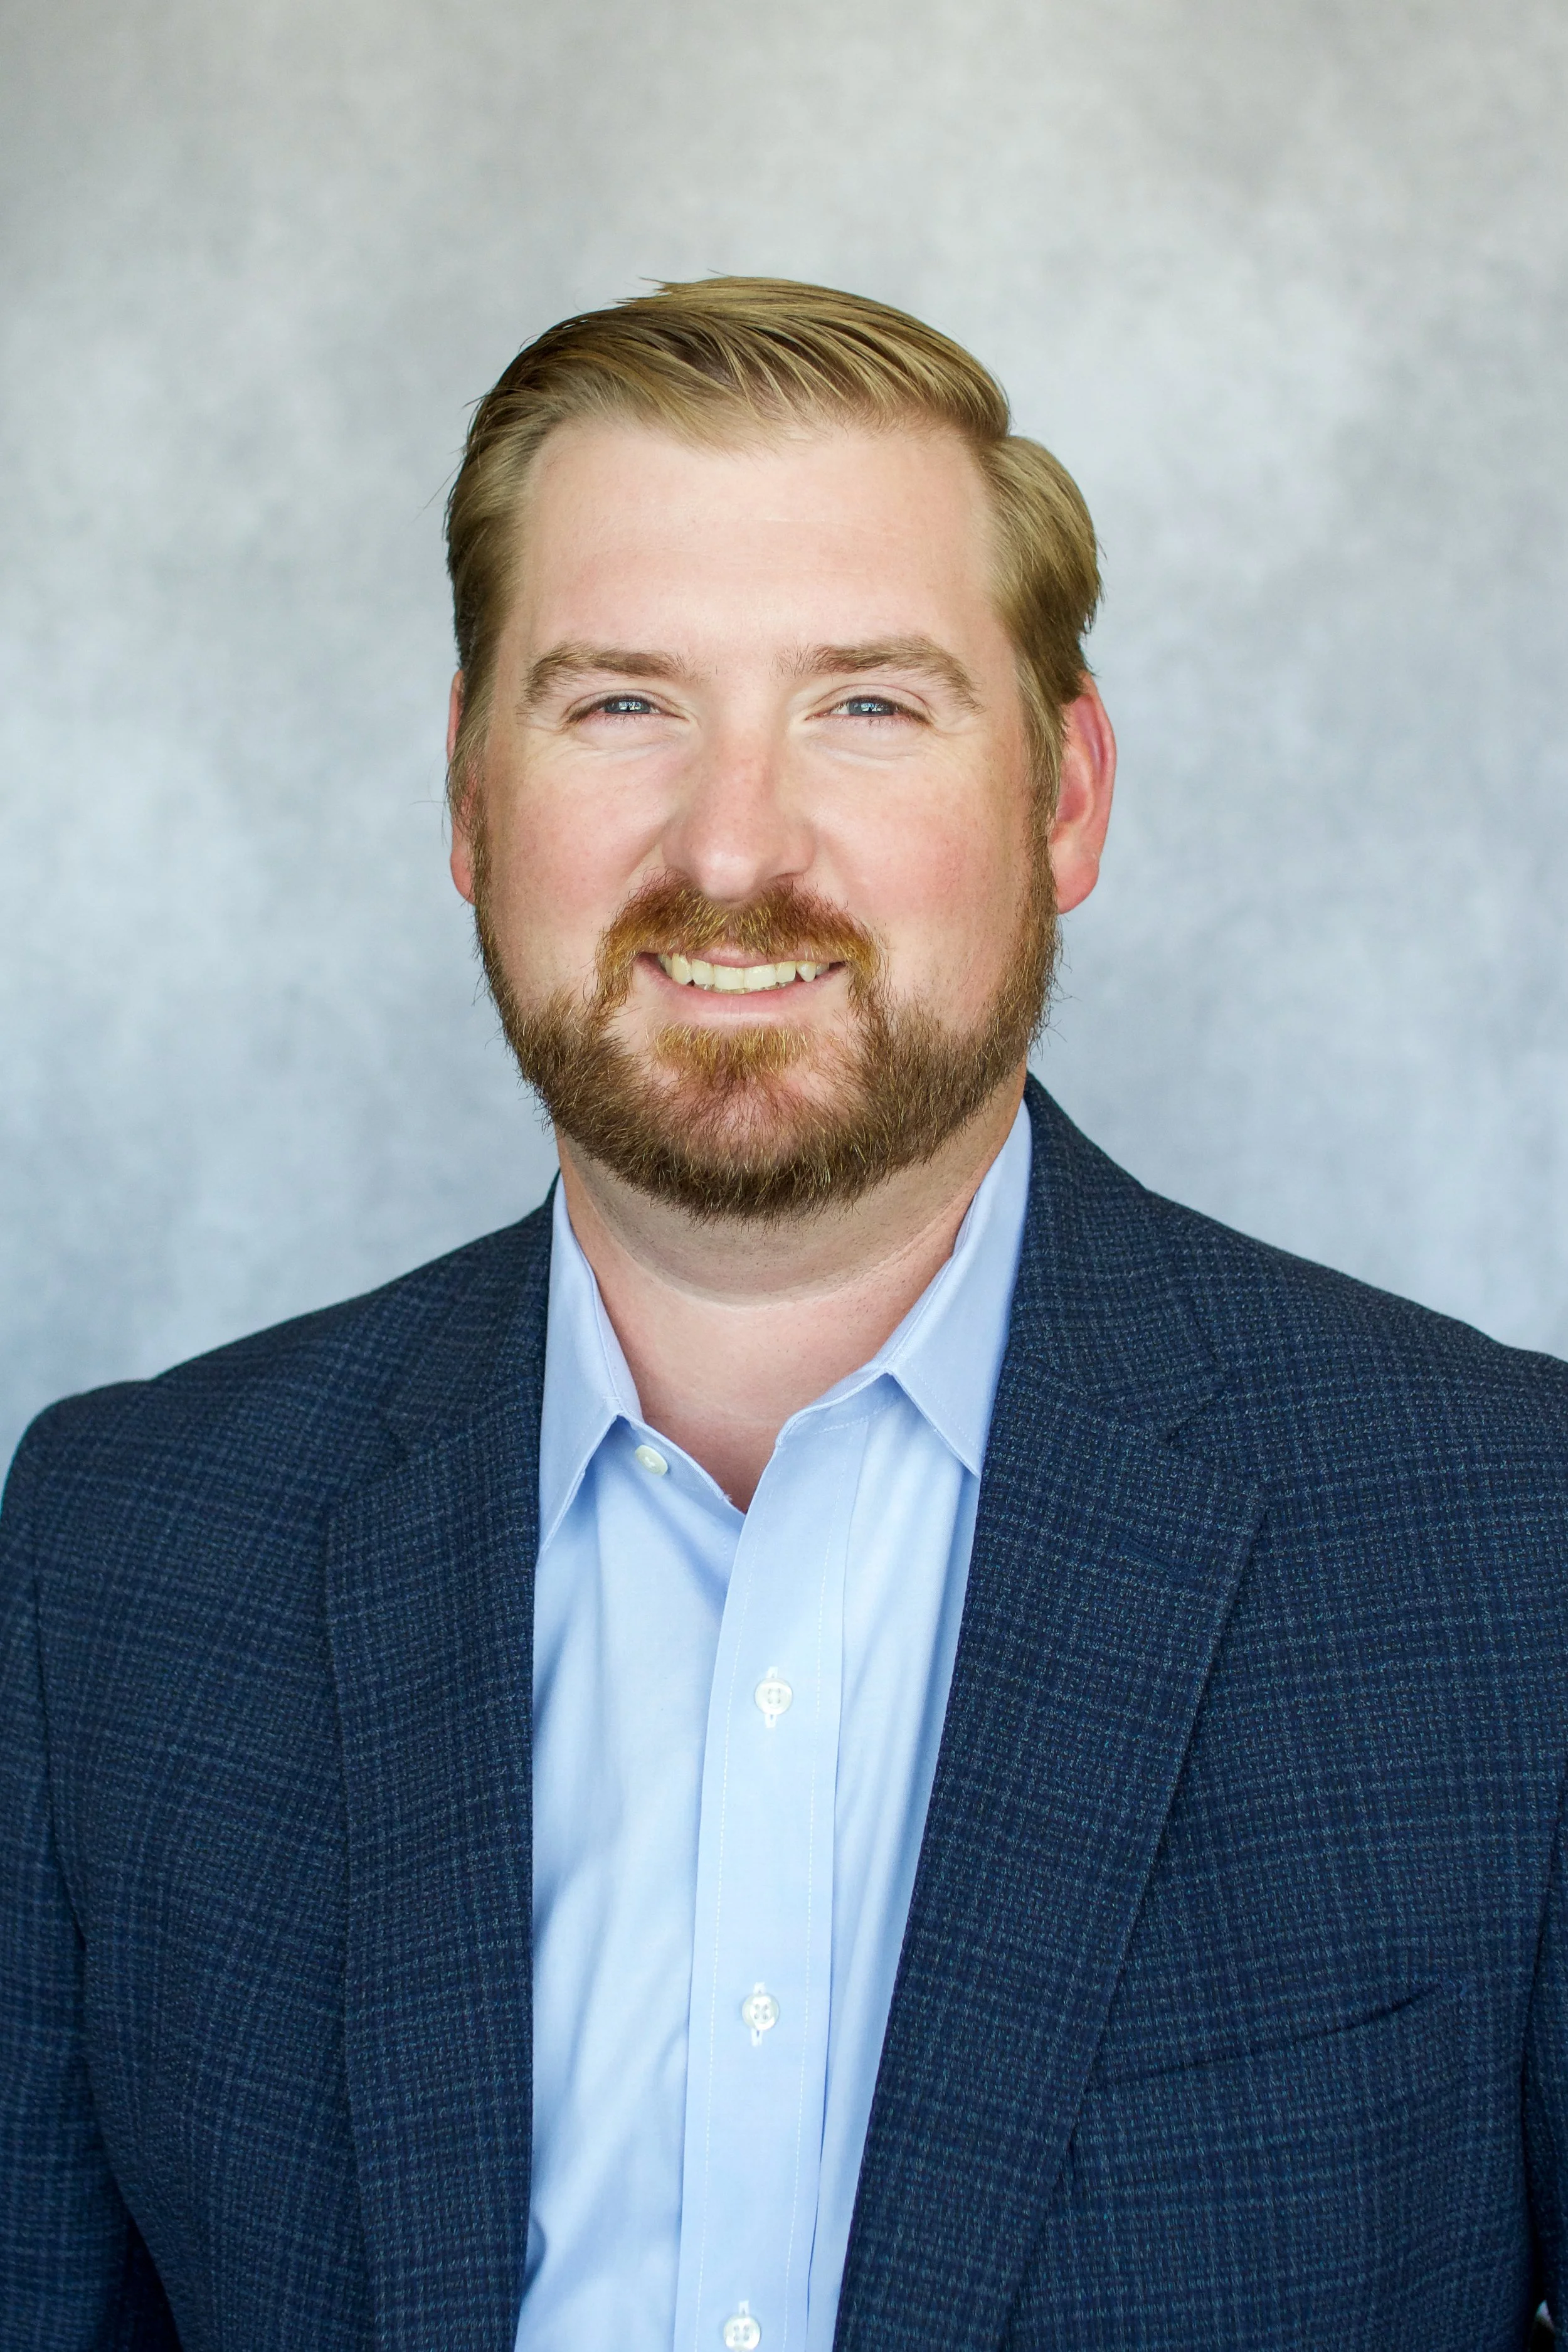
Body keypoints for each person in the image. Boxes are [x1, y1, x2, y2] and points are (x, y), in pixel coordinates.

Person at [3, 277, 1566, 2352]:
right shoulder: (117, 1558)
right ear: (471, 796)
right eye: (621, 701)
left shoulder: (1506, 1551)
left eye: (868, 703)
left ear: (1064, 796)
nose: (734, 847)